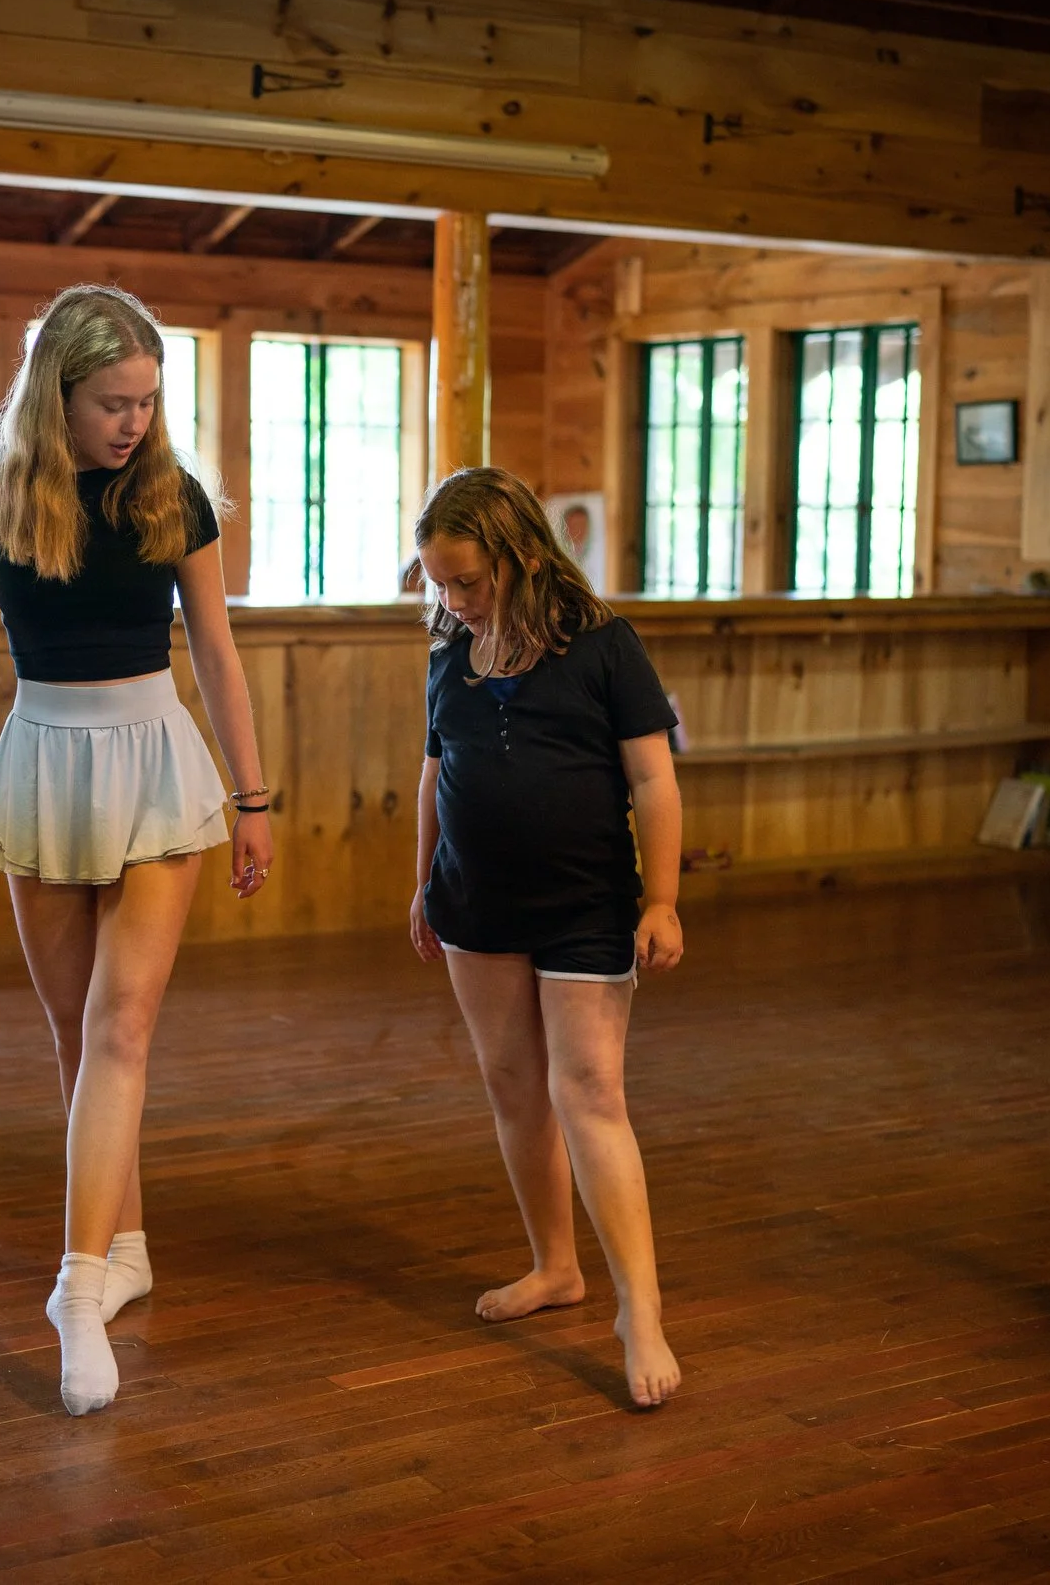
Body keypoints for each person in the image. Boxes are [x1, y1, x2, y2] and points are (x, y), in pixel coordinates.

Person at [0, 285, 274, 1416]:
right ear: (55, 393)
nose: (135, 423)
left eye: (149, 402)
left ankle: (75, 1284)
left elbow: (217, 652)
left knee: (122, 1028)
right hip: (43, 759)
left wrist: (252, 796)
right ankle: (127, 1245)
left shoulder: (174, 497)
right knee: (79, 1041)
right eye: (114, 402)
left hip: (155, 755)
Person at [404, 466, 686, 1410]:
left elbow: (652, 782)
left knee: (590, 1091)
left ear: (523, 556)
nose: (455, 600)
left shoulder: (603, 646)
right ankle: (554, 1266)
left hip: (585, 905)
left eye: (470, 581)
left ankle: (638, 1311)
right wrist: (422, 882)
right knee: (515, 1086)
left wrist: (662, 899)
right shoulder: (451, 654)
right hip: (474, 906)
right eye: (441, 583)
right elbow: (433, 777)